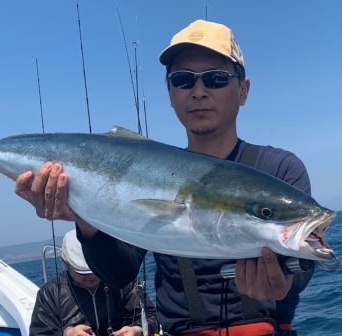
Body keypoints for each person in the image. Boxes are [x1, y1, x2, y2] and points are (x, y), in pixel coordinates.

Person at [16, 20, 312, 336]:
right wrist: (85, 219)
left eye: (216, 79)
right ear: (170, 94)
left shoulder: (279, 170)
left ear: (243, 89)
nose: (199, 92)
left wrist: (287, 282)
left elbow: (306, 260)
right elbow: (118, 273)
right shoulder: (147, 172)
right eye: (183, 80)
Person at [29, 229, 159, 336]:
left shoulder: (123, 281)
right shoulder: (49, 293)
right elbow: (38, 333)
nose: (92, 277)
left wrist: (138, 330)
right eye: (82, 273)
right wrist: (67, 333)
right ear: (66, 265)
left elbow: (152, 318)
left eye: (97, 269)